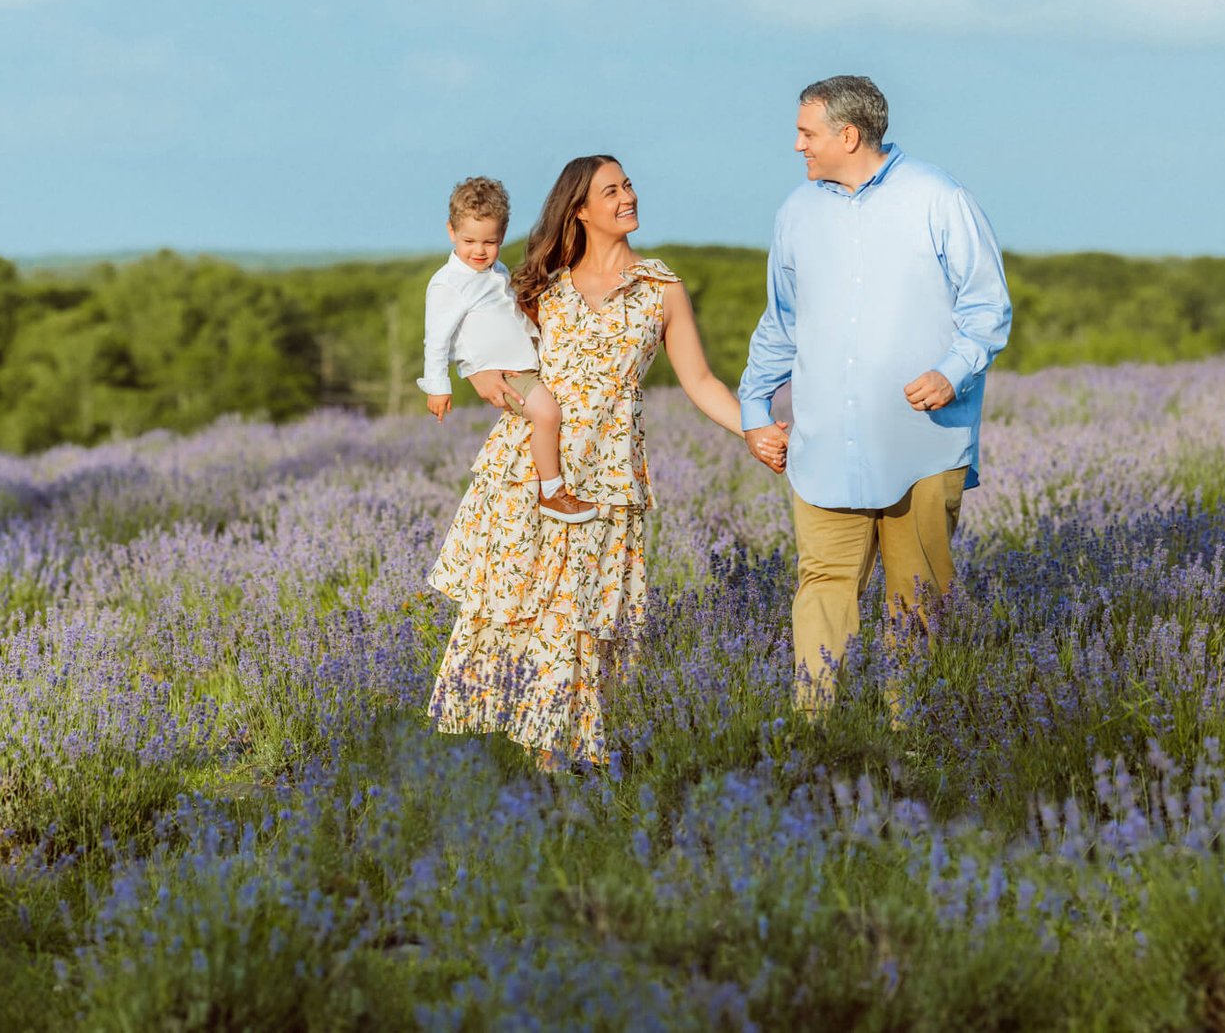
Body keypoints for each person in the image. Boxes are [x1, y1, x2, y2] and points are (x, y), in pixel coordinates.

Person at [427, 155, 769, 769]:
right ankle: (521, 776)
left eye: (629, 184)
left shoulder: (660, 288)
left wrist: (759, 428)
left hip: (607, 480)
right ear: (579, 209)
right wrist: (475, 371)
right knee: (521, 613)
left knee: (581, 623)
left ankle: (557, 768)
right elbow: (472, 325)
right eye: (611, 191)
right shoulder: (539, 282)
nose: (627, 197)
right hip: (529, 472)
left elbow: (700, 381)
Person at [738, 75, 1012, 713]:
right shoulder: (796, 213)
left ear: (847, 134)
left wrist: (952, 370)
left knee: (917, 598)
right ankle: (813, 735)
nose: (797, 145)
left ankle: (911, 743)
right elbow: (781, 320)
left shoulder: (940, 198)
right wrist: (755, 410)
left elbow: (987, 308)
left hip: (920, 445)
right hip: (822, 443)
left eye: (807, 133)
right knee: (822, 586)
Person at [417, 176, 597, 523]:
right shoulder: (448, 284)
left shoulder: (495, 271)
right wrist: (438, 386)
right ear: (450, 231)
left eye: (491, 241)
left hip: (526, 364)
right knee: (548, 415)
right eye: (469, 240)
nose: (479, 251)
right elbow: (437, 339)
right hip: (503, 372)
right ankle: (552, 492)